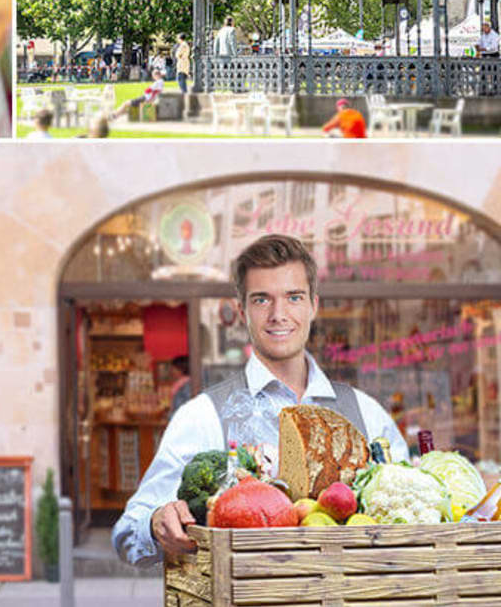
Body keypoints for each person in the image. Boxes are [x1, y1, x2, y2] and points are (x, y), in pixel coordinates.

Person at [112, 234, 407, 565]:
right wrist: (155, 524)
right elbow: (127, 533)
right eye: (262, 300)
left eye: (294, 297)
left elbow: (416, 518)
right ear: (242, 311)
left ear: (314, 306)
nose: (279, 314)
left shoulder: (366, 413)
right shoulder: (203, 416)